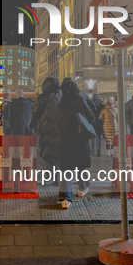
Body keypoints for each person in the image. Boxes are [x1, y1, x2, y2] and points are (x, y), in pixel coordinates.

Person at [57, 80, 95, 209]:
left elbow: (56, 121)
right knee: (81, 165)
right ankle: (82, 188)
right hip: (79, 139)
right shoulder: (80, 101)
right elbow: (92, 117)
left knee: (65, 169)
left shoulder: (60, 103)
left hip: (64, 139)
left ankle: (66, 198)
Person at [29, 78, 61, 177]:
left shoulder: (41, 98)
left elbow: (35, 114)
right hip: (59, 129)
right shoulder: (61, 97)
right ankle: (57, 177)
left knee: (44, 151)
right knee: (57, 152)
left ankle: (48, 173)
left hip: (44, 129)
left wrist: (31, 126)